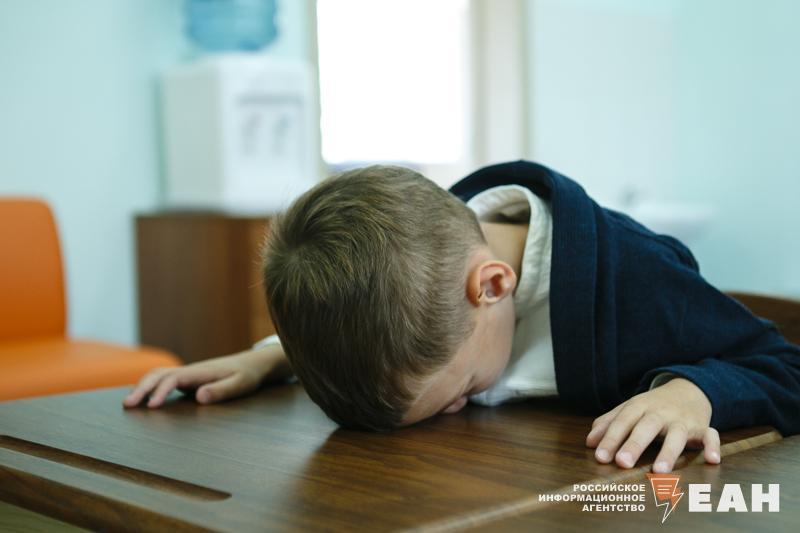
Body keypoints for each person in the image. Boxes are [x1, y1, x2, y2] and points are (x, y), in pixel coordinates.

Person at [123, 161, 800, 474]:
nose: (459, 406)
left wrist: (693, 392)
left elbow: (782, 364)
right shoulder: (424, 260)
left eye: (463, 391)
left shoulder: (639, 281)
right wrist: (273, 355)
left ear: (493, 285)